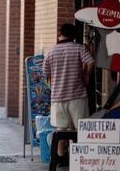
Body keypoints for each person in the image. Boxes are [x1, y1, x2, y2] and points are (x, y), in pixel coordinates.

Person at [42, 23, 95, 164]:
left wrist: (54, 84)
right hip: (77, 96)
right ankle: (78, 160)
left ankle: (60, 157)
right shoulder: (79, 48)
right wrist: (86, 76)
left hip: (58, 98)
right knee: (80, 129)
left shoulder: (51, 51)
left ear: (60, 33)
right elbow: (91, 62)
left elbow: (45, 73)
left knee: (61, 130)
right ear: (74, 35)